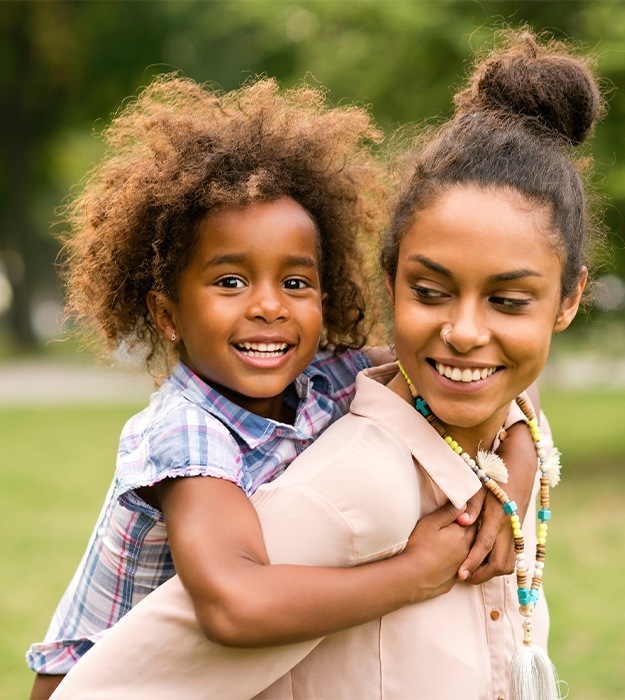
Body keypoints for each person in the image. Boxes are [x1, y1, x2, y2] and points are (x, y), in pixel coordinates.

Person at [48, 27, 606, 700]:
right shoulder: (186, 433)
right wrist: (412, 572)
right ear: (166, 315)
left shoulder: (321, 377)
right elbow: (232, 605)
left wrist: (512, 472)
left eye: (295, 283)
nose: (266, 308)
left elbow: (480, 376)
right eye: (228, 282)